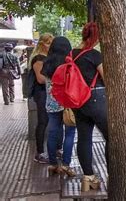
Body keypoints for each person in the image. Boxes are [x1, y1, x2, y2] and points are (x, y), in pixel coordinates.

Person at [72, 22, 108, 191]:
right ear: (96, 37)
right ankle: (113, 175)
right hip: (95, 99)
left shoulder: (71, 54)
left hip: (77, 101)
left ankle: (88, 178)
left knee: (84, 138)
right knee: (112, 137)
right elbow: (106, 77)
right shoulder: (94, 55)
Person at [41, 37, 76, 177]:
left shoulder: (46, 63)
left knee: (52, 133)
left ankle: (53, 164)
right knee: (70, 133)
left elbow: (45, 81)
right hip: (68, 103)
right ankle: (66, 165)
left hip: (52, 103)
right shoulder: (70, 63)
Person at [30, 33, 54, 163]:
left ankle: (45, 151)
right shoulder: (39, 58)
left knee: (47, 121)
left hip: (47, 92)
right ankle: (39, 153)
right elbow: (40, 79)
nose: (49, 45)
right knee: (43, 121)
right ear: (41, 44)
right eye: (47, 42)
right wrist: (56, 79)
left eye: (51, 42)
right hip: (41, 93)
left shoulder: (47, 57)